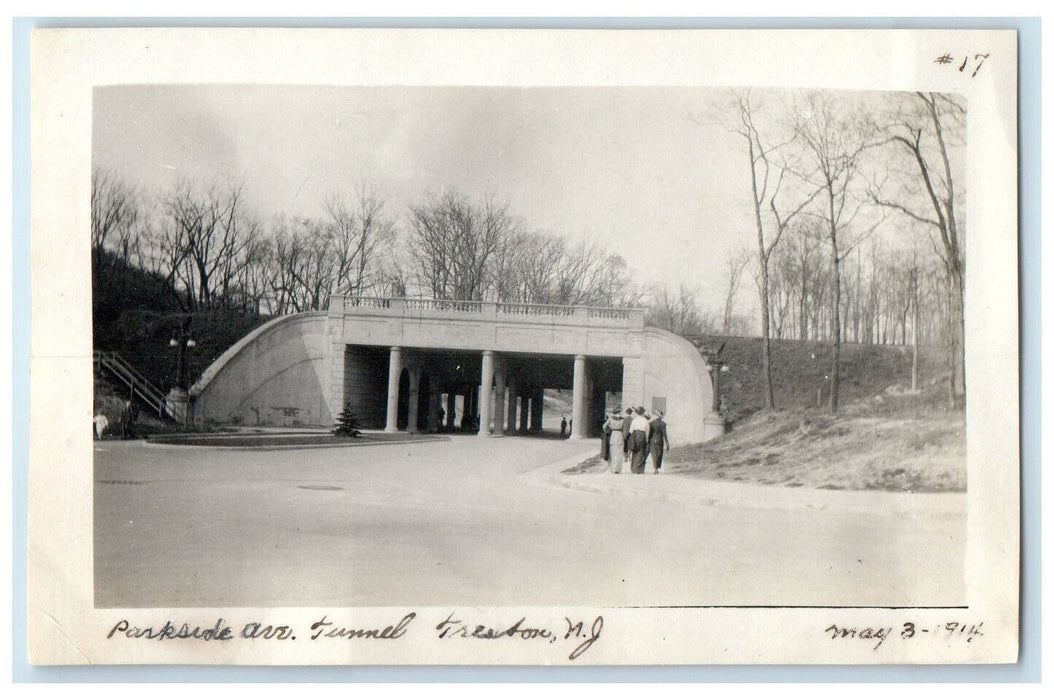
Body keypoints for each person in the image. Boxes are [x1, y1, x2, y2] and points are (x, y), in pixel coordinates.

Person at [629, 406, 651, 474]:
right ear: (643, 413)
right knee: (641, 452)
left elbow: (630, 430)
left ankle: (634, 469)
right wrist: (646, 439)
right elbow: (647, 431)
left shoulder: (634, 420)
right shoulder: (645, 421)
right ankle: (640, 469)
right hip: (642, 436)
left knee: (635, 452)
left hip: (635, 435)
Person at [603, 409, 626, 474]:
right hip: (620, 435)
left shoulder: (610, 419)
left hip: (613, 434)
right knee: (620, 453)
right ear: (619, 412)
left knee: (613, 453)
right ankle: (618, 469)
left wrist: (608, 430)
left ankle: (613, 469)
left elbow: (604, 426)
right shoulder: (623, 419)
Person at [648, 409, 671, 474]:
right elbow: (664, 434)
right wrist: (667, 443)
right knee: (659, 454)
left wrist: (648, 440)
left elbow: (650, 433)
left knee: (654, 454)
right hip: (660, 440)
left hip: (653, 439)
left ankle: (655, 468)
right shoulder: (663, 424)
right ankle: (657, 467)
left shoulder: (652, 423)